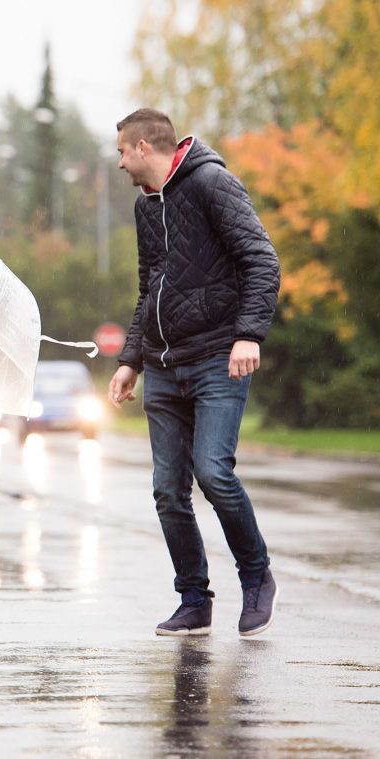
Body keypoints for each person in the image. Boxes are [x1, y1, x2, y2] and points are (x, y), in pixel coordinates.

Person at [109, 108, 281, 638]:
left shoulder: (211, 182)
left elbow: (260, 259)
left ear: (142, 147)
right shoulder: (145, 207)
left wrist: (248, 333)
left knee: (213, 473)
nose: (118, 163)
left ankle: (255, 576)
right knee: (167, 490)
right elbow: (150, 288)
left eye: (120, 151)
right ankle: (193, 599)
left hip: (215, 357)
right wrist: (130, 360)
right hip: (163, 364)